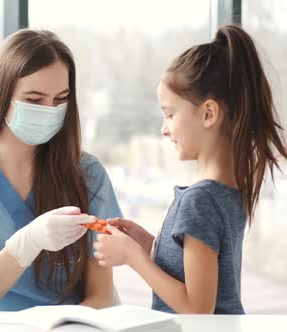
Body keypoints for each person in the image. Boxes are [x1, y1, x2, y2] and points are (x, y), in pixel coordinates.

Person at [93, 25, 287, 314]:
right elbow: (198, 275)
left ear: (209, 113)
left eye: (170, 114)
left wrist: (133, 257)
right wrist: (149, 246)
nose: (164, 129)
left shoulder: (200, 201)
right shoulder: (225, 192)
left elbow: (198, 308)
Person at [0, 29, 122, 311]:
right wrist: (28, 242)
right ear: (0, 94)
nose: (50, 110)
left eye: (60, 99)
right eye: (34, 99)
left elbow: (100, 298)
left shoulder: (87, 173)